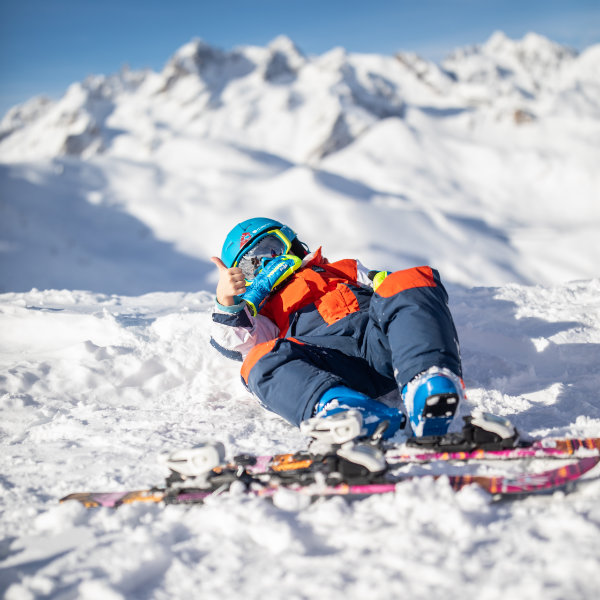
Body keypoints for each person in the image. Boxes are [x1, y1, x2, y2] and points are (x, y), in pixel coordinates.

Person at [210, 217, 465, 443]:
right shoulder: (262, 313)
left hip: (381, 341)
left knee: (409, 280)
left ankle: (427, 382)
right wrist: (227, 301)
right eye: (251, 265)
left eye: (270, 249)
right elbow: (236, 343)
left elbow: (395, 292)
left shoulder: (345, 269)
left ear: (290, 242)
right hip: (329, 363)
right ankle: (340, 408)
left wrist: (388, 283)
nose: (266, 262)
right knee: (257, 359)